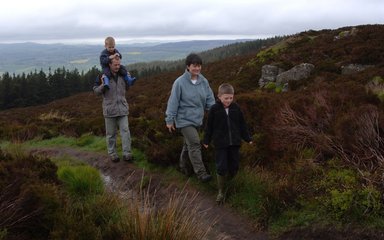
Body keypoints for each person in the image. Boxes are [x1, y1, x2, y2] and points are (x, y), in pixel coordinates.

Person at [165, 53, 215, 183]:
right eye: (194, 66)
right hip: (184, 120)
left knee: (188, 146)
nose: (197, 68)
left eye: (199, 66)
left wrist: (215, 111)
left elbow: (209, 98)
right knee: (194, 143)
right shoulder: (179, 82)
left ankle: (183, 167)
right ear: (188, 66)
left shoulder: (203, 81)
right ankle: (201, 173)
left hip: (198, 119)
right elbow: (173, 102)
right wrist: (169, 119)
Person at [203, 83, 253, 203]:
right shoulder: (214, 109)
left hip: (235, 143)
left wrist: (248, 138)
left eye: (231, 98)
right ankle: (221, 192)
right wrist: (206, 140)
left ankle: (231, 185)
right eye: (226, 98)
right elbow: (209, 127)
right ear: (219, 96)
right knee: (221, 166)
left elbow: (242, 125)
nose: (229, 100)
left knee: (234, 165)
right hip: (220, 144)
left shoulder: (236, 108)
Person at [93, 56, 133, 163]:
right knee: (111, 134)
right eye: (115, 65)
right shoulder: (102, 75)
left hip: (123, 109)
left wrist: (128, 81)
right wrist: (102, 85)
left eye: (119, 64)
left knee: (125, 131)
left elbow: (127, 88)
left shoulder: (123, 74)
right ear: (109, 64)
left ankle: (127, 153)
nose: (117, 67)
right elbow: (96, 91)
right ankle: (112, 154)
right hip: (110, 110)